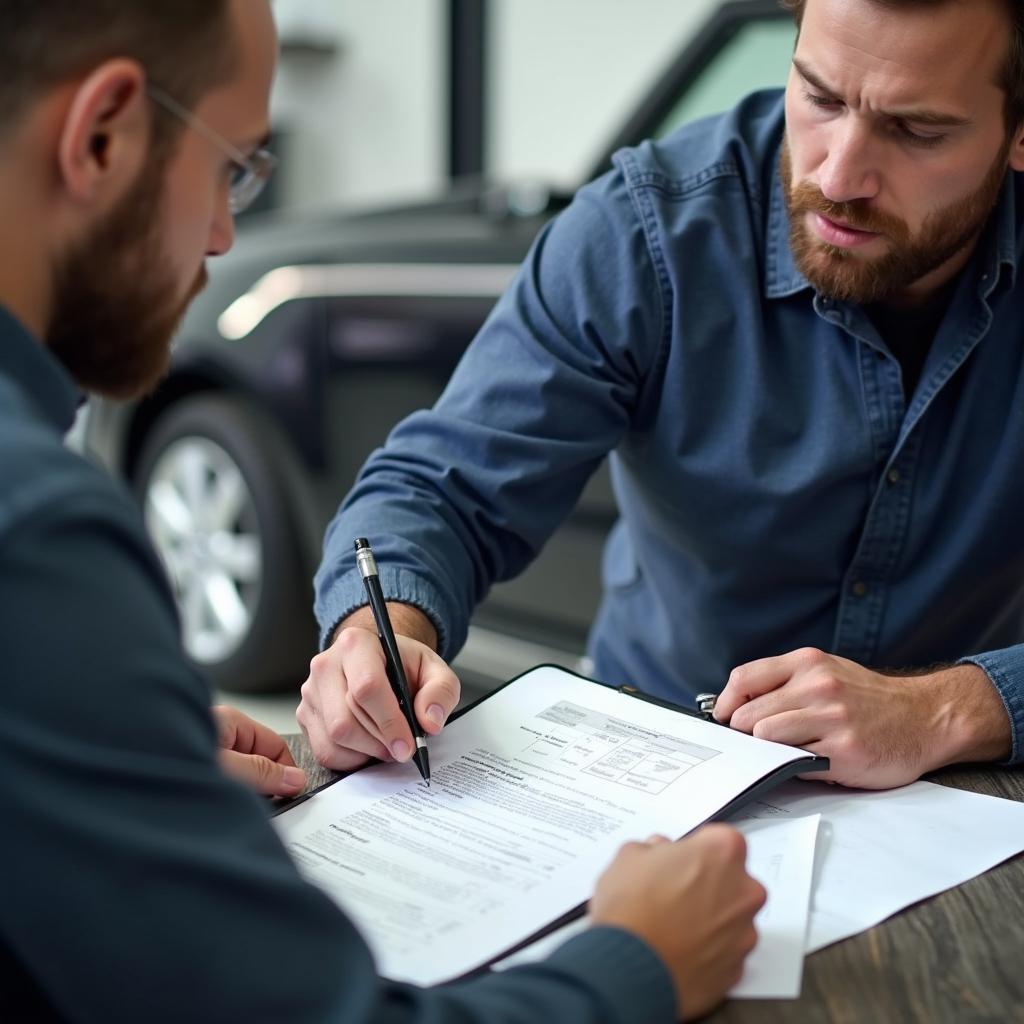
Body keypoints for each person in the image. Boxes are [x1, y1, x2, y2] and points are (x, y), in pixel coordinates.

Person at [0, 2, 767, 1021]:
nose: (227, 235)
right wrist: (635, 962)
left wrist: (122, 778)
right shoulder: (35, 533)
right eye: (232, 167)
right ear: (102, 135)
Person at [303, 0, 1024, 792]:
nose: (837, 175)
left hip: (973, 789)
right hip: (653, 766)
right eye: (819, 97)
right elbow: (443, 487)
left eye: (915, 130)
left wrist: (951, 709)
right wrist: (382, 635)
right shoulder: (649, 231)